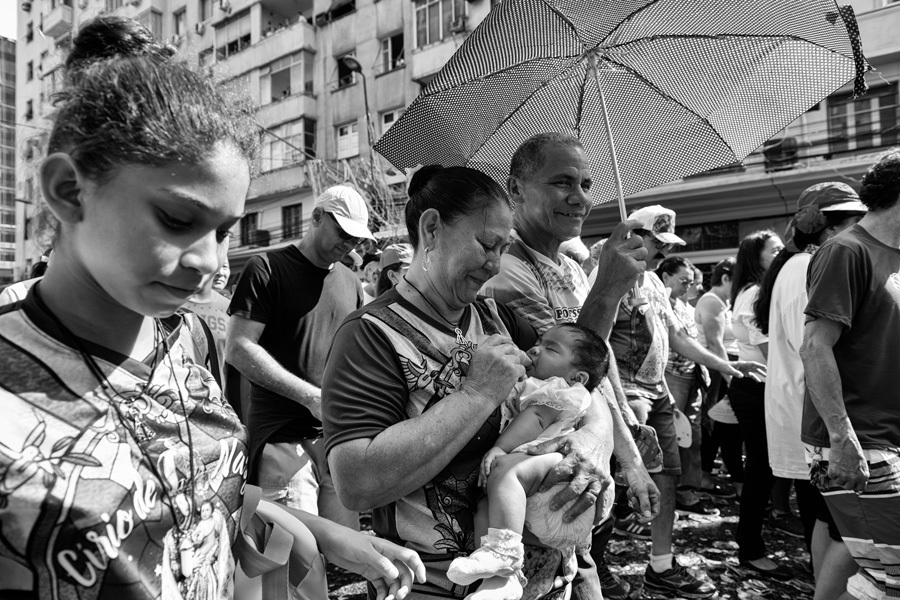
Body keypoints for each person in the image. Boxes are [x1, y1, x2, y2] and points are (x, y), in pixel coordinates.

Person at [0, 15, 424, 600]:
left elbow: (199, 494)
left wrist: (328, 536)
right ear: (69, 190)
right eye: (178, 221)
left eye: (225, 230)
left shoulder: (187, 338)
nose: (208, 261)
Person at [323, 165, 626, 600]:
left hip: (549, 578)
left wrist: (594, 439)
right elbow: (355, 482)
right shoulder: (369, 334)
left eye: (503, 248)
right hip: (439, 585)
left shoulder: (495, 316)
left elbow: (575, 382)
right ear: (431, 229)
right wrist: (477, 394)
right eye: (486, 245)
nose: (494, 264)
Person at [479, 132, 659, 600]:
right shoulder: (504, 268)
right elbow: (563, 372)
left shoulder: (572, 268)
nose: (580, 198)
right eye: (562, 182)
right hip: (538, 494)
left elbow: (594, 375)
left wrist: (630, 456)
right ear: (516, 189)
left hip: (580, 479)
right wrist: (609, 290)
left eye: (586, 184)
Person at [598, 204, 765, 598]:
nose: (662, 252)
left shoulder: (655, 282)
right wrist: (620, 401)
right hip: (623, 397)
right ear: (634, 237)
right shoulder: (607, 276)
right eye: (657, 243)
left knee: (667, 476)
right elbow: (595, 341)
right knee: (611, 484)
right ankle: (596, 563)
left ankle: (661, 563)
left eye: (666, 244)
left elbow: (677, 338)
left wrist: (726, 366)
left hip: (657, 394)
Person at [226, 185, 372, 530]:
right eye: (343, 233)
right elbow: (238, 348)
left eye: (357, 239)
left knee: (344, 548)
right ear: (316, 217)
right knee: (293, 560)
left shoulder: (352, 283)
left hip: (337, 438)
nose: (350, 245)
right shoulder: (265, 268)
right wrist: (308, 396)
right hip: (282, 437)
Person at [754, 182, 864, 599]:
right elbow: (815, 349)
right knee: (835, 520)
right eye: (854, 223)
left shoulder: (796, 264)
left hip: (803, 408)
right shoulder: (809, 268)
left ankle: (824, 587)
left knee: (821, 514)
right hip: (811, 412)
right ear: (826, 228)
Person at [799, 149, 900, 600]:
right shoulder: (846, 250)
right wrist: (843, 439)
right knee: (891, 577)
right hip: (859, 440)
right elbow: (815, 346)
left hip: (887, 437)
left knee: (883, 578)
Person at [446, 324, 610, 599]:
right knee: (486, 507)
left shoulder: (557, 390)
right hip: (537, 478)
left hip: (551, 468)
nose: (536, 348)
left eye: (551, 349)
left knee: (506, 473)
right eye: (539, 341)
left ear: (577, 376)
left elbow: (536, 419)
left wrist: (500, 448)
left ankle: (505, 554)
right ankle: (500, 581)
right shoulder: (538, 384)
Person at [729, 229, 793, 579]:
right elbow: (774, 353)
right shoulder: (755, 293)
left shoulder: (760, 290)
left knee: (766, 469)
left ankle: (758, 536)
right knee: (761, 469)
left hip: (763, 387)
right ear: (757, 257)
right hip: (756, 388)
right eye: (775, 250)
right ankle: (750, 548)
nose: (781, 254)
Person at [655, 256, 719, 518]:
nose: (688, 286)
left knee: (692, 436)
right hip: (671, 377)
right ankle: (675, 493)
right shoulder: (658, 302)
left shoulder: (683, 304)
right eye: (683, 280)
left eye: (691, 282)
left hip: (692, 376)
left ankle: (687, 490)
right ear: (666, 276)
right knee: (673, 437)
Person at [694, 258, 743, 498]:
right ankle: (709, 478)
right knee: (718, 426)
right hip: (717, 370)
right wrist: (731, 376)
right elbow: (715, 344)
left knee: (722, 427)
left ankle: (712, 476)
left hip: (725, 367)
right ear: (725, 279)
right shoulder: (711, 301)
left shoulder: (723, 302)